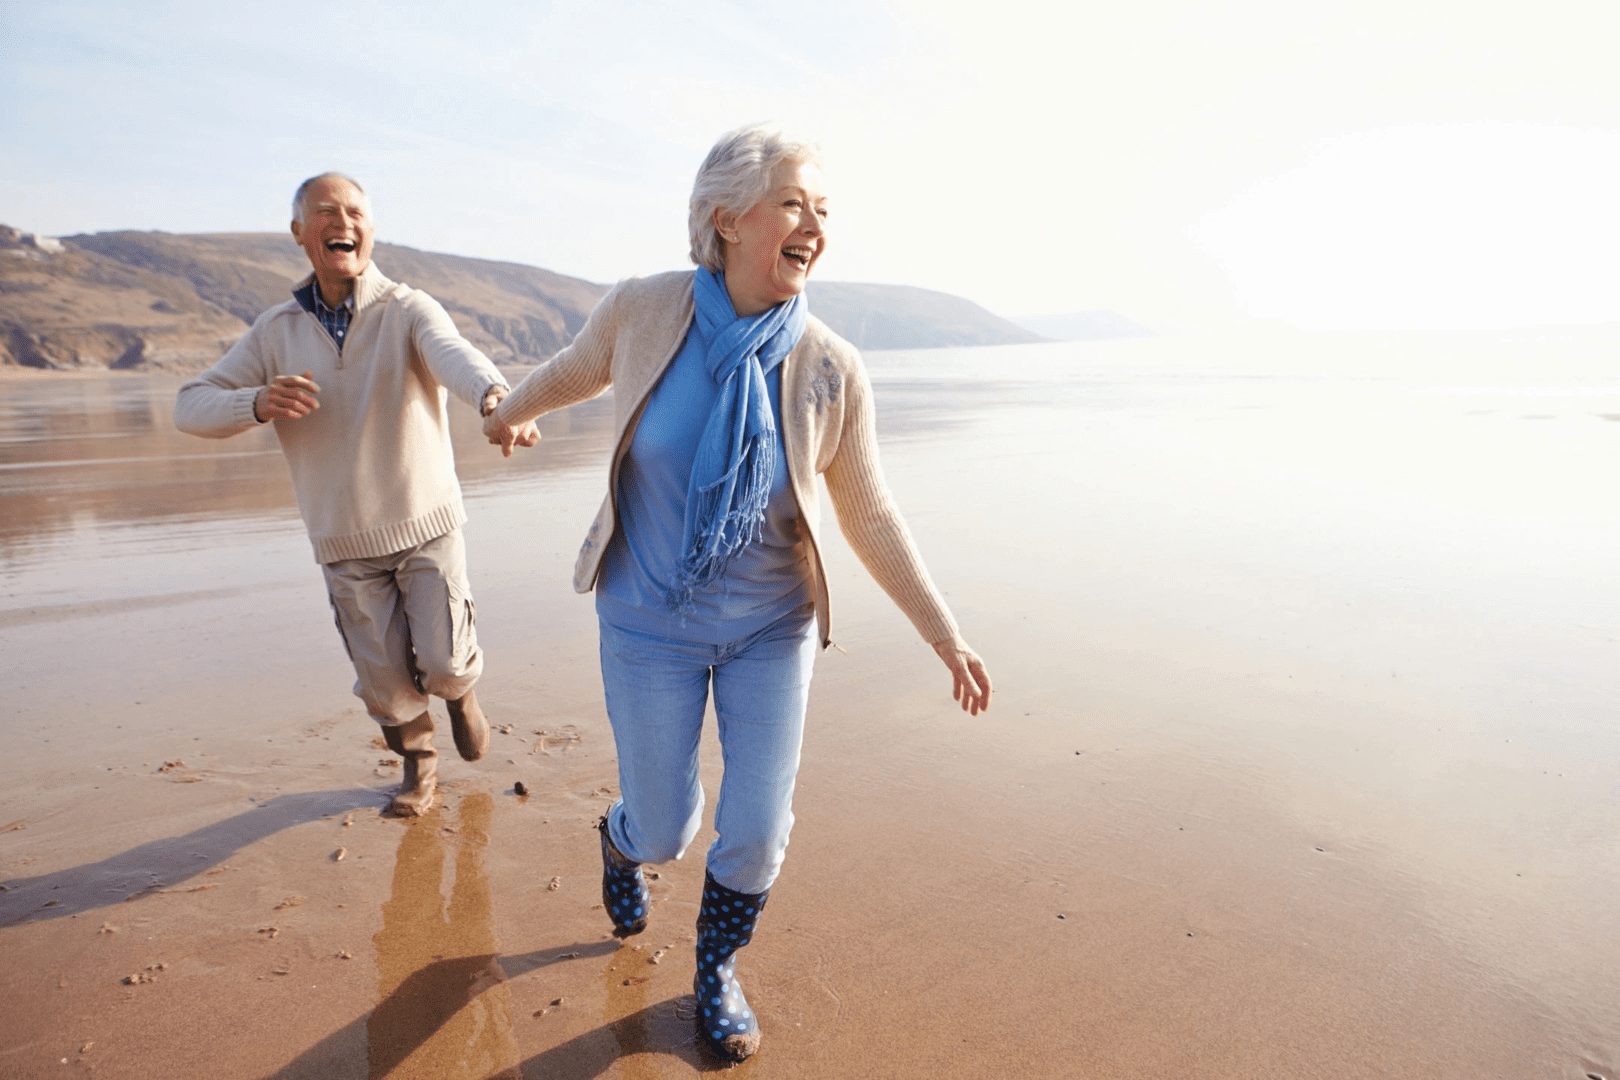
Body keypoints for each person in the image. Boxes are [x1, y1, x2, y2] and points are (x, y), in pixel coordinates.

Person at [486, 125, 992, 1062]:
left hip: (771, 627)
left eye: (825, 211)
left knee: (757, 832)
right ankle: (619, 840)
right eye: (796, 203)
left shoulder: (831, 367)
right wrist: (505, 414)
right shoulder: (643, 312)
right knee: (666, 825)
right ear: (727, 217)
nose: (816, 226)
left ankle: (716, 970)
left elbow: (870, 516)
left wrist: (945, 636)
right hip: (646, 621)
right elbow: (571, 371)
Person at [174, 172, 539, 817]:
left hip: (425, 522)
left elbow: (455, 355)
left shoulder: (408, 308)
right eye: (325, 213)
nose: (343, 221)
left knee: (446, 660)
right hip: (343, 539)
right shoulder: (275, 331)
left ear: (370, 228)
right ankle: (419, 768)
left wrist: (495, 399)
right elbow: (190, 407)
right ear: (299, 234)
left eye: (355, 211)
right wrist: (254, 401)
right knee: (385, 682)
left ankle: (461, 694)